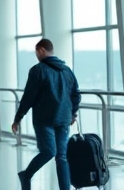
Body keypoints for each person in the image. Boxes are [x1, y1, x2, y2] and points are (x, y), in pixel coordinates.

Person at [12, 38, 81, 190]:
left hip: (44, 119)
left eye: (36, 52)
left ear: (41, 50)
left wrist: (18, 118)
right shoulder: (66, 70)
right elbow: (76, 94)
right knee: (59, 155)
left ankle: (26, 175)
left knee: (51, 152)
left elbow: (28, 97)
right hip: (63, 118)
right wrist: (72, 113)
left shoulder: (37, 70)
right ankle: (27, 175)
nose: (36, 55)